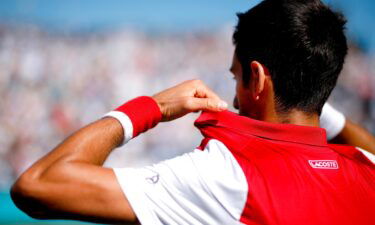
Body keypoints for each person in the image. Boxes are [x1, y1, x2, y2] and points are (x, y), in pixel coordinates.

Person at [11, 0, 375, 224]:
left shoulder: (224, 178)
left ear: (258, 78)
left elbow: (38, 184)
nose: (234, 99)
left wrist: (153, 106)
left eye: (236, 79)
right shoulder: (365, 169)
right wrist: (311, 93)